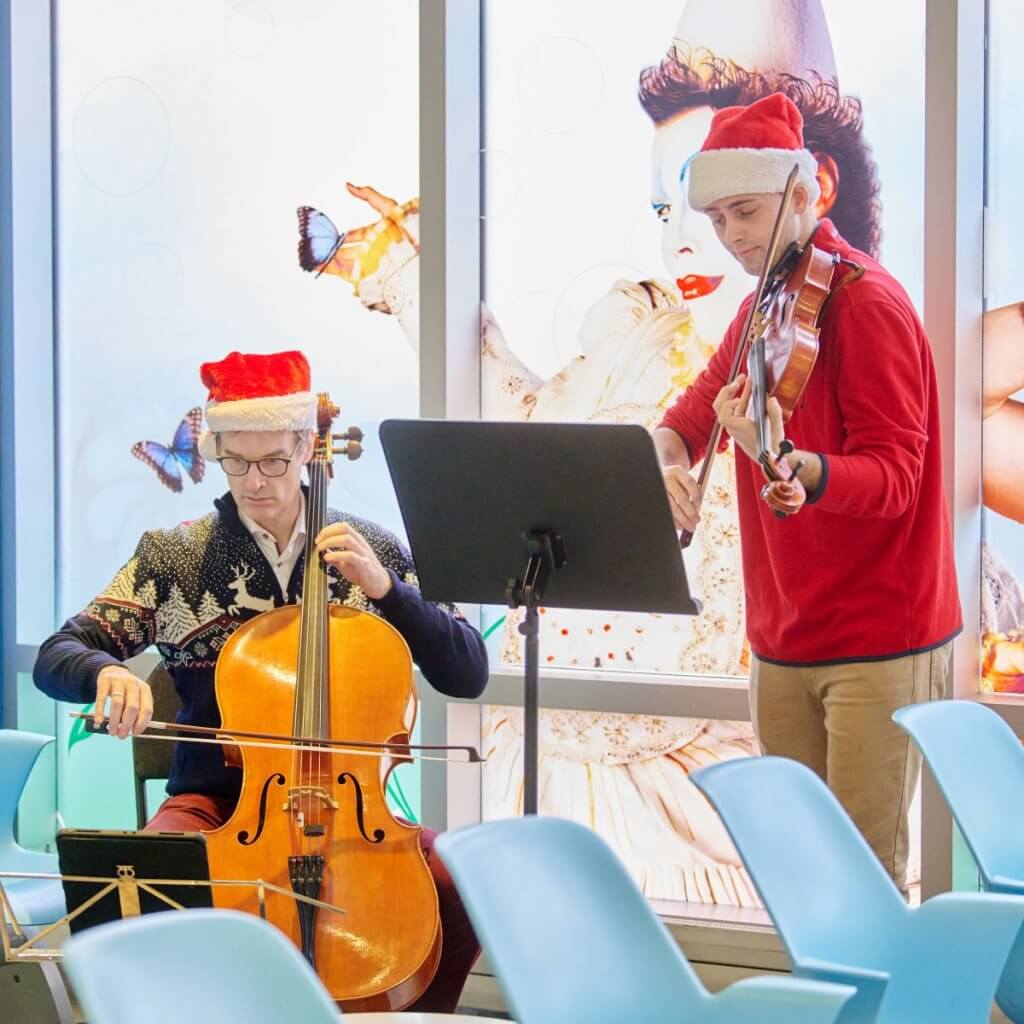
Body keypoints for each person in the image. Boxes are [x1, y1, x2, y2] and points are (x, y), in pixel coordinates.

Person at [33, 349, 488, 1012]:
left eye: (272, 461)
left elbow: (468, 670)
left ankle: (407, 1015)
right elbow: (59, 652)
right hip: (217, 803)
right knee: (143, 890)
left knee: (461, 883)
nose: (253, 482)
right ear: (216, 452)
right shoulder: (174, 557)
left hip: (353, 813)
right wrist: (104, 672)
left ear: (307, 447)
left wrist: (389, 591)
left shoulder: (371, 549)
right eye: (236, 462)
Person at [655, 92, 962, 894]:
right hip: (784, 637)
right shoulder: (759, 308)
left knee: (864, 883)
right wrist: (667, 466)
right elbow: (685, 421)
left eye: (746, 212)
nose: (732, 237)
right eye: (718, 218)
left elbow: (895, 478)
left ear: (803, 191)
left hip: (879, 639)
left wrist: (797, 465)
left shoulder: (869, 302)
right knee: (801, 882)